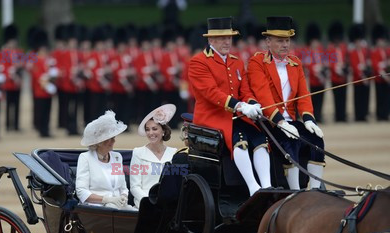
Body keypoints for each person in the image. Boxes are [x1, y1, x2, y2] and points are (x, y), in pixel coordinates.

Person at [188, 17, 272, 196]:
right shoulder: (199, 62)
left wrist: (252, 103)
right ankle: (253, 187)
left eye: (229, 37)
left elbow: (245, 91)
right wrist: (240, 106)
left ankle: (266, 186)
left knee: (260, 138)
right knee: (239, 138)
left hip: (236, 116)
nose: (227, 42)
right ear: (211, 40)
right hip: (213, 118)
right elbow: (211, 93)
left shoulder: (236, 61)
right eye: (222, 38)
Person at [247, 16, 325, 190]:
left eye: (287, 40)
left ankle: (315, 190)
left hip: (291, 122)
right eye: (280, 41)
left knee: (317, 141)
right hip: (269, 123)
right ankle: (295, 191)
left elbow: (303, 95)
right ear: (268, 42)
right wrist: (280, 122)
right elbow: (263, 95)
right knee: (291, 142)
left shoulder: (295, 62)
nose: (285, 45)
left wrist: (309, 119)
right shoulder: (257, 62)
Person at [76, 110, 134, 210]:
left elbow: (123, 187)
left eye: (114, 138)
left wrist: (124, 196)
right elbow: (81, 192)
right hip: (97, 209)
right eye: (110, 138)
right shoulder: (85, 158)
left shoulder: (117, 157)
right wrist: (106, 200)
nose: (114, 141)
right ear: (99, 142)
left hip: (119, 207)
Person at [130, 104, 177, 208]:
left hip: (168, 206)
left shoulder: (174, 153)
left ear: (163, 131)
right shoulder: (138, 153)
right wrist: (149, 202)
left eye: (154, 129)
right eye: (147, 129)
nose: (150, 133)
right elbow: (134, 187)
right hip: (144, 205)